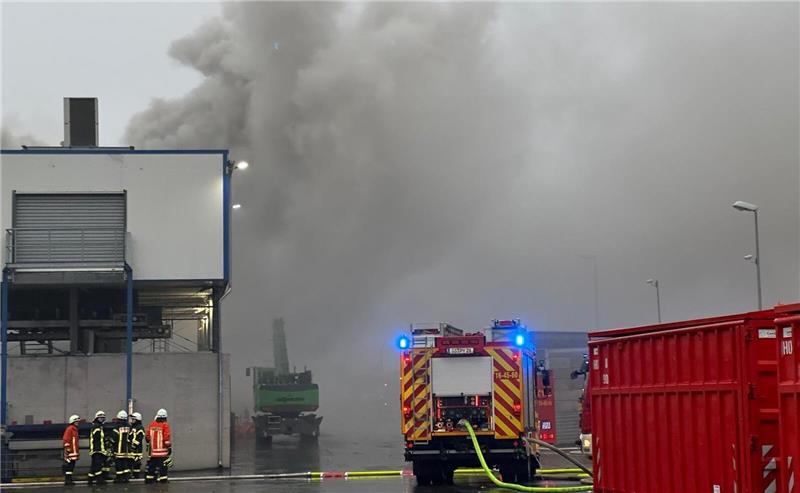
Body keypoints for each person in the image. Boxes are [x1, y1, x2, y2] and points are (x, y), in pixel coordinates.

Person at [145, 408, 171, 484]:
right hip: (162, 452)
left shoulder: (151, 424)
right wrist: (169, 447)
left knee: (152, 466)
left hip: (153, 452)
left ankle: (149, 479)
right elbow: (166, 437)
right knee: (163, 467)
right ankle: (163, 480)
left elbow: (147, 437)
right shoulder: (165, 425)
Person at [109, 410, 132, 483]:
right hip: (126, 450)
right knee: (125, 463)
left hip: (118, 450)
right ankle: (126, 478)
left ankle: (119, 478)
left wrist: (110, 444)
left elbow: (114, 438)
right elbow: (131, 437)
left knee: (118, 464)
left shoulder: (117, 427)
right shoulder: (129, 426)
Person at [88, 411, 109, 485]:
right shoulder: (96, 427)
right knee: (97, 465)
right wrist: (101, 450)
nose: (102, 419)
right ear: (97, 418)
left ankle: (90, 479)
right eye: (100, 418)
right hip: (97, 450)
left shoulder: (99, 427)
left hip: (98, 450)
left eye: (103, 418)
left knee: (94, 465)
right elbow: (98, 440)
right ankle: (99, 480)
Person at [61, 414, 80, 486]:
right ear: (72, 422)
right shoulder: (70, 429)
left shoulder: (74, 430)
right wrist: (68, 448)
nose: (78, 423)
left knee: (71, 466)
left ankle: (69, 479)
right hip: (70, 452)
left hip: (73, 452)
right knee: (69, 466)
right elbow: (66, 439)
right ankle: (68, 480)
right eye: (76, 421)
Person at [129, 412, 146, 479]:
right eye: (131, 419)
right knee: (131, 462)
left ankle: (136, 475)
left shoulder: (140, 428)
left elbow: (139, 438)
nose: (132, 421)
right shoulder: (132, 427)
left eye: (133, 419)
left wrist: (134, 446)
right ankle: (132, 474)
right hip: (131, 448)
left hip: (137, 449)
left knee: (136, 463)